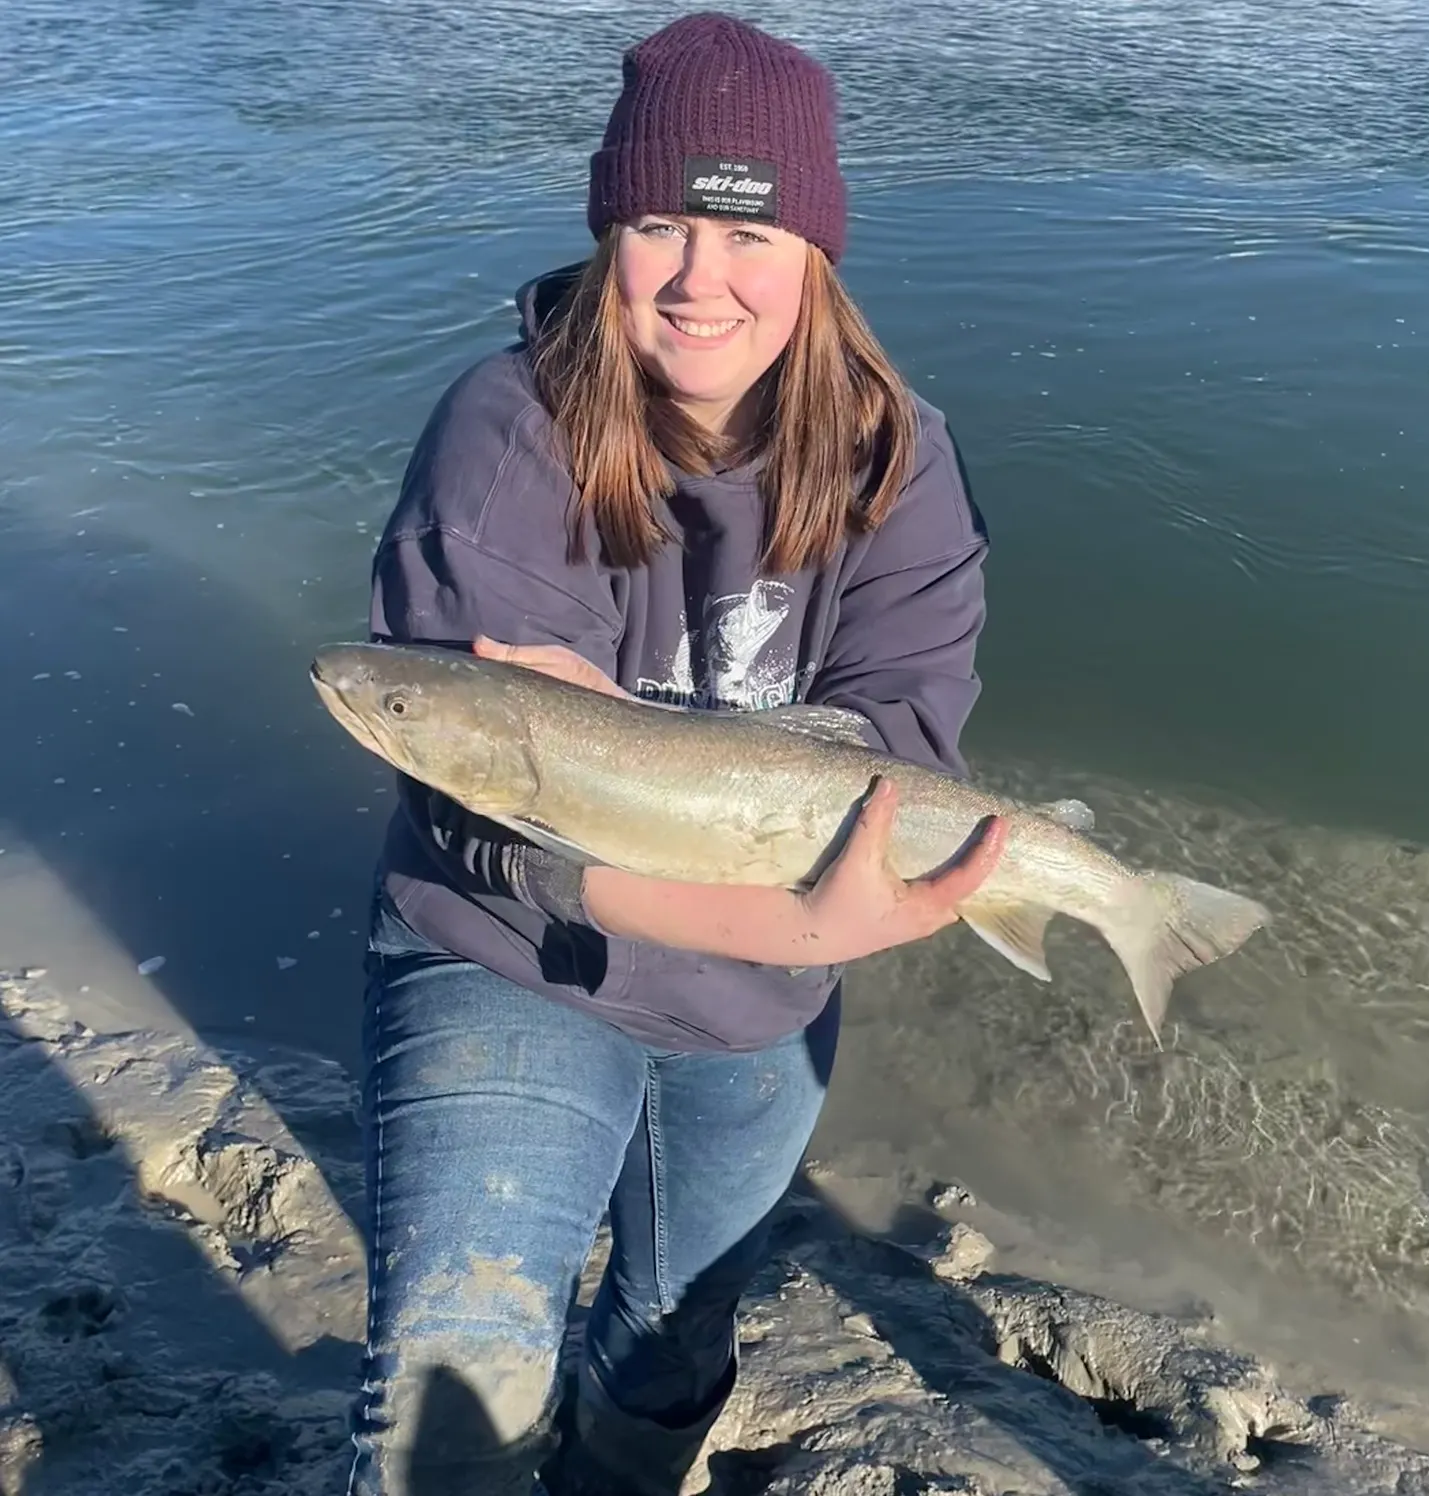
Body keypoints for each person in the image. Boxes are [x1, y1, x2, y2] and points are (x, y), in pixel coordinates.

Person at [348, 12, 1003, 1495]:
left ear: (817, 254)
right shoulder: (506, 428)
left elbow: (904, 741)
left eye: (751, 235)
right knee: (458, 1364)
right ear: (609, 231)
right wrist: (787, 920)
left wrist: (804, 925)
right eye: (661, 225)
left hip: (757, 996)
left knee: (672, 1339)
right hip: (508, 949)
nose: (703, 280)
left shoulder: (902, 460)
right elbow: (472, 805)